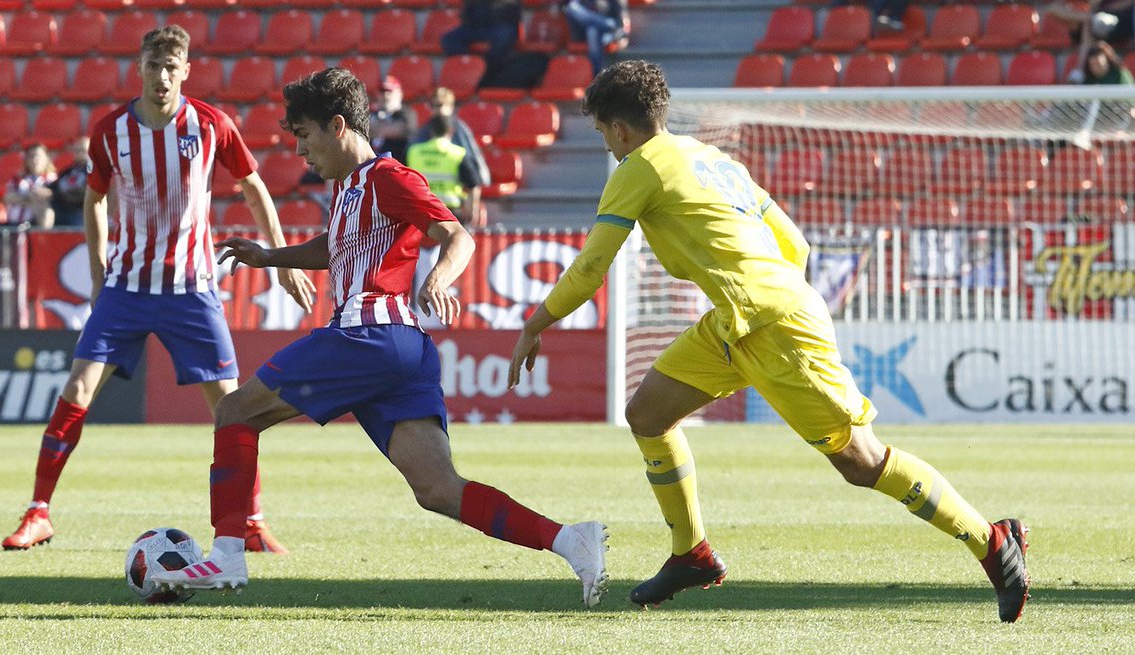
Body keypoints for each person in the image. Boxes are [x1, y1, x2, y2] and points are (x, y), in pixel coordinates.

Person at [506, 60, 1031, 622]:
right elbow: (796, 244)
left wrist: (535, 324)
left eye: (603, 132)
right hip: (742, 319)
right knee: (648, 414)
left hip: (772, 325)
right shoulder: (713, 159)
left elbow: (591, 267)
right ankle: (692, 553)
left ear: (620, 128)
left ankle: (990, 539)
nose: (607, 144)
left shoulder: (638, 166)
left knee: (861, 460)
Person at [149, 67, 609, 608]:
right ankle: (572, 541)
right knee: (438, 489)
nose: (299, 150)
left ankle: (227, 553)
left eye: (304, 134)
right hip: (403, 351)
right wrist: (273, 257)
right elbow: (335, 247)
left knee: (234, 413)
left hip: (366, 331)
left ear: (338, 125)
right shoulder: (350, 189)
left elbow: (455, 234)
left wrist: (438, 277)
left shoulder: (390, 177)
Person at [0, 25, 316, 554]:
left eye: (172, 67)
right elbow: (94, 199)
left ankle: (252, 522)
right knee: (77, 391)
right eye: (153, 65)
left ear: (186, 71)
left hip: (192, 289)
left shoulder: (211, 124)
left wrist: (280, 260)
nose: (162, 76)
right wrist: (100, 277)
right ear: (140, 67)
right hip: (125, 287)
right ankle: (38, 514)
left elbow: (253, 185)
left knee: (234, 407)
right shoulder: (111, 131)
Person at [407, 114, 486, 227]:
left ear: (430, 131)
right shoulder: (458, 154)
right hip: (449, 214)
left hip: (419, 213)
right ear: (451, 131)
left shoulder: (413, 152)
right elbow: (473, 185)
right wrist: (471, 211)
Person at [414, 87, 491, 189]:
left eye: (439, 105)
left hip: (454, 191)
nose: (435, 109)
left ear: (450, 107)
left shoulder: (459, 129)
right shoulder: (424, 129)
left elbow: (471, 158)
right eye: (432, 106)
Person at [441, 0, 522, 75]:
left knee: (505, 37)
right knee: (449, 39)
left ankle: (486, 70)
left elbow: (513, 11)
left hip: (499, 26)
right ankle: (468, 67)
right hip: (474, 27)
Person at [561, 0, 630, 75]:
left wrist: (622, 34)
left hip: (608, 26)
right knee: (572, 8)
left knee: (593, 30)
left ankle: (596, 73)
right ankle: (597, 74)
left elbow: (622, 13)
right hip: (584, 30)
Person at [2, 143, 56, 229]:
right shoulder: (18, 179)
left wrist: (21, 198)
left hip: (35, 225)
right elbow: (8, 197)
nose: (35, 159)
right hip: (12, 224)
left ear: (46, 158)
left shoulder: (52, 179)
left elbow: (50, 196)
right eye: (31, 156)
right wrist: (29, 198)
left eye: (38, 156)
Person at [368, 75, 417, 165]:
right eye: (382, 91)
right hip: (373, 166)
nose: (385, 95)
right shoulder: (372, 113)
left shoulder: (407, 114)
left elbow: (400, 130)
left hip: (397, 166)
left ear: (399, 93)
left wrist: (374, 127)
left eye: (389, 91)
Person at [49, 137, 90, 228]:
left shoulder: (94, 171)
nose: (80, 153)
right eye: (77, 150)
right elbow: (53, 187)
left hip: (80, 212)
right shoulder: (67, 171)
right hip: (59, 209)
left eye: (83, 150)